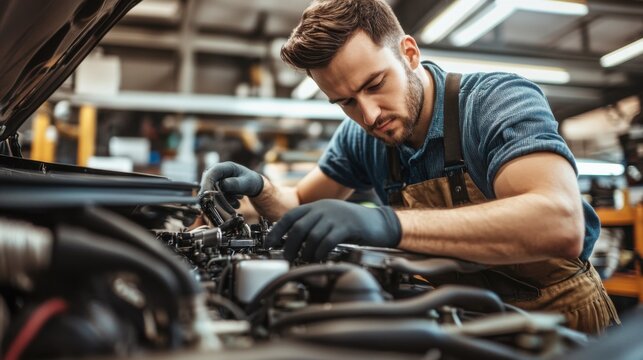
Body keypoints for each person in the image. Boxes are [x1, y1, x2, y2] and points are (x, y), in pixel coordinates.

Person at [200, 0, 619, 334]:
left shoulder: (495, 102)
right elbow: (300, 209)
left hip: (564, 324)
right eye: (345, 102)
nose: (367, 115)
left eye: (375, 84)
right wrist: (259, 189)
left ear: (410, 53)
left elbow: (559, 224)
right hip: (458, 322)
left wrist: (390, 225)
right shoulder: (361, 138)